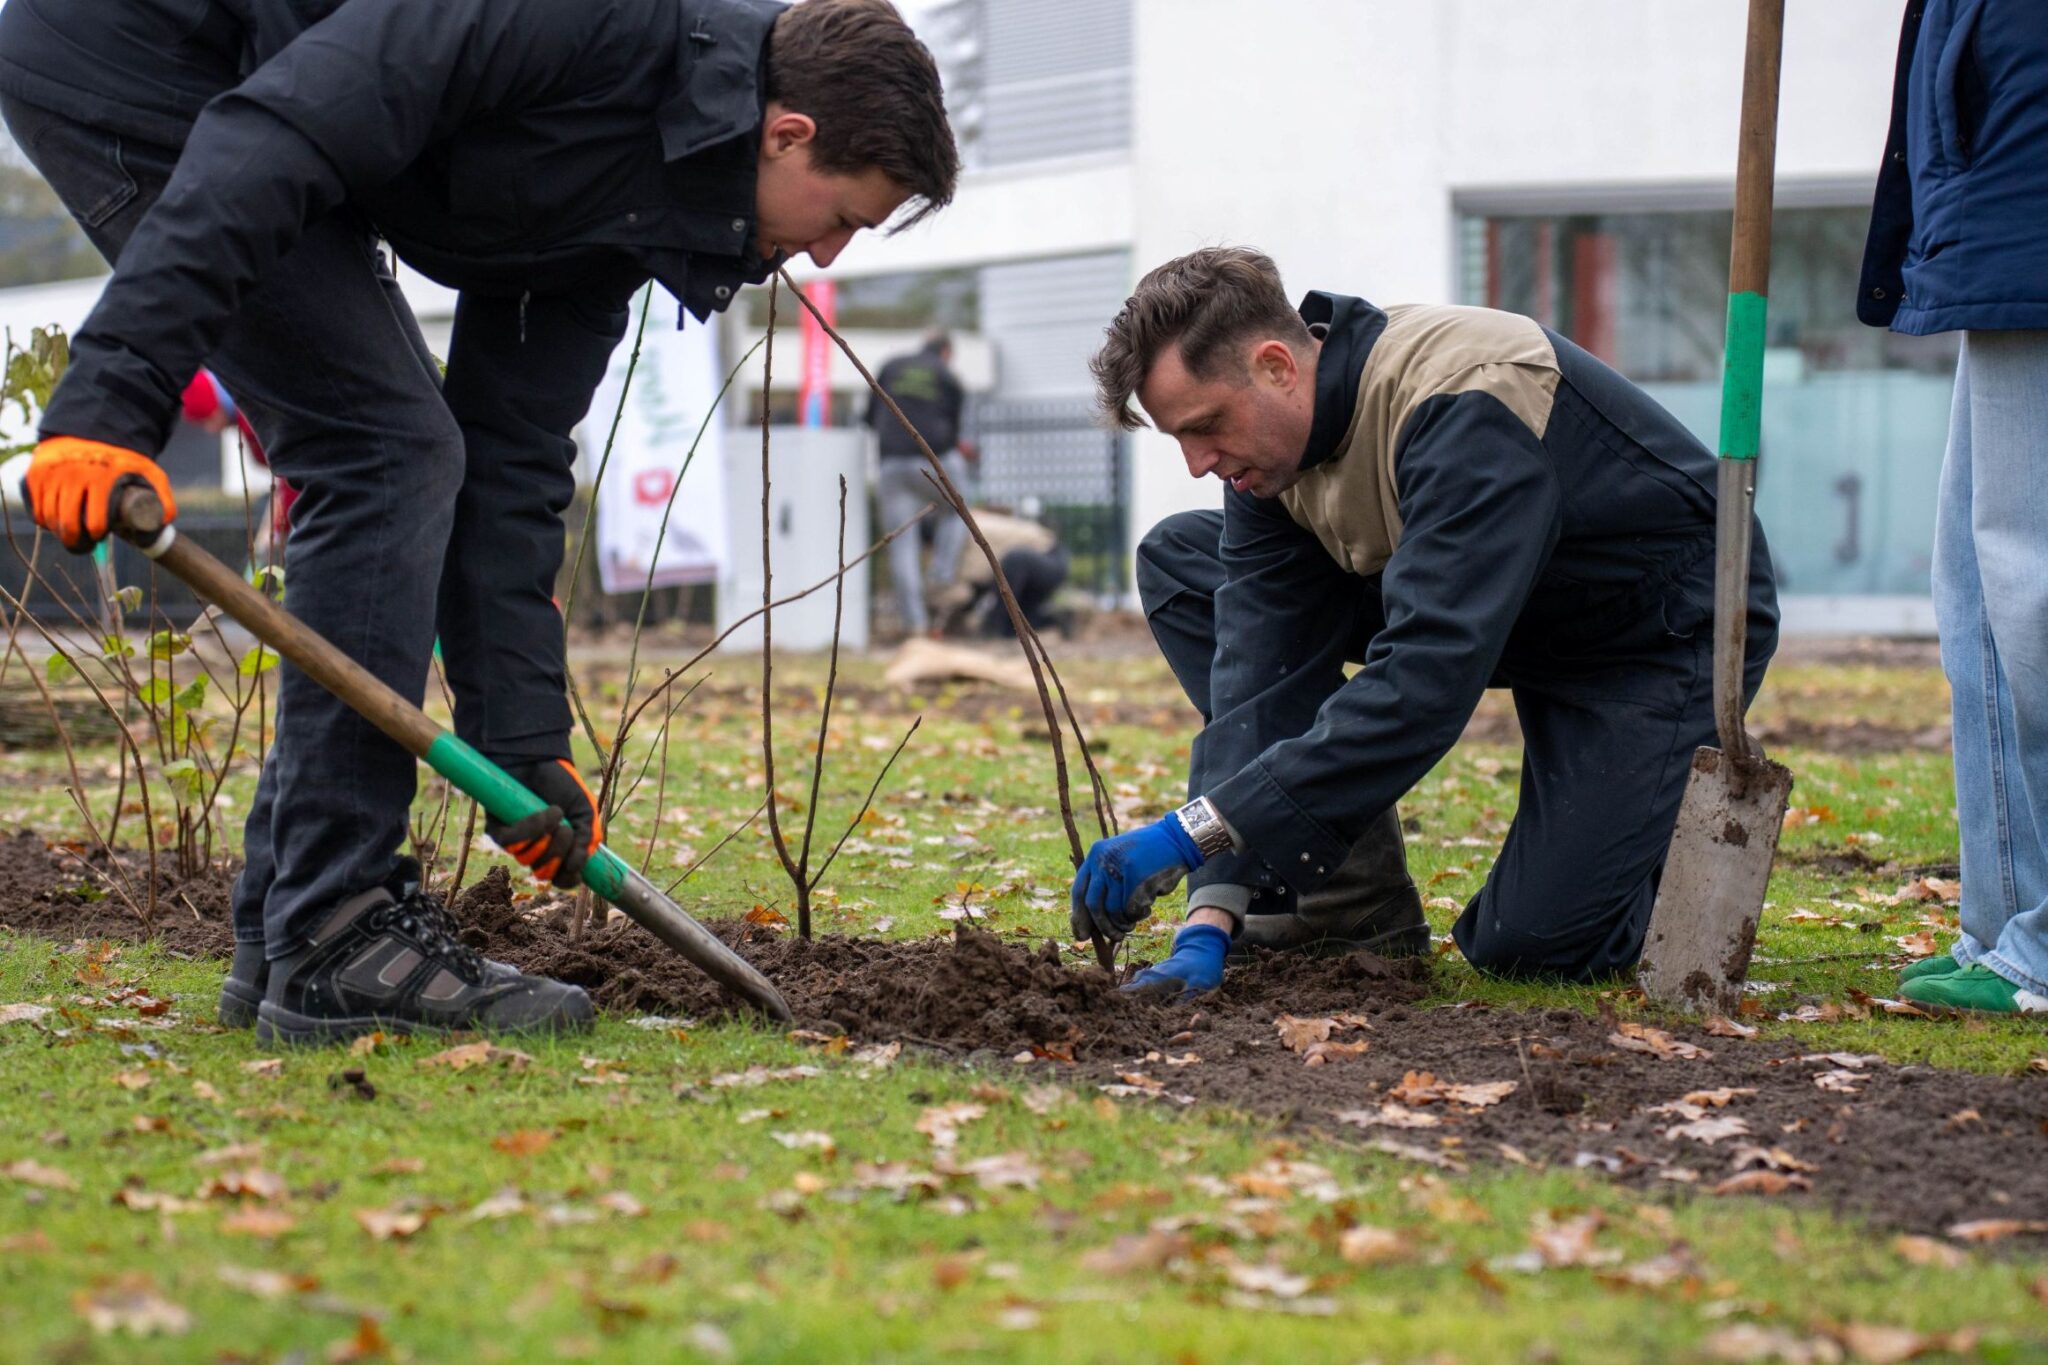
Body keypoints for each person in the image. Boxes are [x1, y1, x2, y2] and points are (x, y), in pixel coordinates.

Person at [0, 0, 956, 1043]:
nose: (824, 258)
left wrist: (522, 748)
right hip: (143, 52)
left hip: (257, 95)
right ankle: (336, 932)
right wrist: (108, 399)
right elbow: (284, 133)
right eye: (845, 220)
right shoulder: (576, 26)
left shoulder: (648, 200)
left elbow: (511, 450)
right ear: (786, 134)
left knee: (408, 450)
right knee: (383, 448)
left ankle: (290, 933)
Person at [1069, 247, 1778, 997]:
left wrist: (1187, 832)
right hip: (1506, 606)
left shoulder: (1467, 407)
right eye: (1179, 436)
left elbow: (1423, 684)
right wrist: (1209, 915)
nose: (1197, 463)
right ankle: (1343, 902)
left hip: (1654, 632)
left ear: (1277, 366)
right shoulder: (1267, 461)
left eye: (1205, 425)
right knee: (1187, 563)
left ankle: (1647, 822)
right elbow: (1257, 676)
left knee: (1530, 944)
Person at [1867, 4, 2048, 1016]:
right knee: (1977, 596)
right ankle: (2004, 926)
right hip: (1996, 248)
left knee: (2028, 596)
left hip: (2027, 245)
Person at [866, 329, 975, 635]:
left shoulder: (891, 366)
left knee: (901, 543)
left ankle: (915, 624)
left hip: (892, 463)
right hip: (934, 459)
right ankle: (941, 575)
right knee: (958, 511)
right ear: (946, 353)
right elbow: (955, 434)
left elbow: (871, 418)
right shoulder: (948, 376)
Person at [929, 499, 1068, 638]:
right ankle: (1055, 621)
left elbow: (968, 584)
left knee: (1013, 563)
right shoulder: (958, 522)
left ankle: (993, 631)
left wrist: (940, 603)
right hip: (1039, 563)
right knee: (1014, 627)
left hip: (1048, 559)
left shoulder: (964, 535)